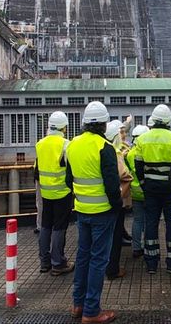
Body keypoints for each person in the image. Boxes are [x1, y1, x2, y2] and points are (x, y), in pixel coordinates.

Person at [65, 102, 122, 324]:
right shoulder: (104, 147)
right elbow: (111, 184)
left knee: (83, 256)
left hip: (82, 210)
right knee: (99, 260)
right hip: (103, 212)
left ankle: (77, 304)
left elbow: (69, 180)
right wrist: (117, 206)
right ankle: (91, 312)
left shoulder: (72, 145)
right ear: (104, 124)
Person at [134, 104, 171, 274]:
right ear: (169, 119)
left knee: (151, 223)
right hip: (170, 188)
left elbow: (138, 165)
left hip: (150, 187)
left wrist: (142, 183)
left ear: (153, 119)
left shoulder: (142, 139)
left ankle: (151, 263)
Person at [35, 111, 75, 276]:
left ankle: (45, 262)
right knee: (59, 227)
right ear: (64, 127)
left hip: (46, 192)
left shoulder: (40, 144)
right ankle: (58, 263)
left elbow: (37, 170)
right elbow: (70, 169)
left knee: (45, 226)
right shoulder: (66, 145)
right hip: (62, 192)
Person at [104, 120, 133, 280]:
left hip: (95, 202)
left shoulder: (98, 150)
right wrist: (119, 197)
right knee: (114, 236)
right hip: (115, 201)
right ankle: (112, 268)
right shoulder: (116, 153)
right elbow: (126, 176)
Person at [126, 125, 149, 258]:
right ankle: (147, 245)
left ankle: (136, 247)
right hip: (146, 190)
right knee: (148, 221)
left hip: (134, 192)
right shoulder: (145, 152)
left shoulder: (129, 154)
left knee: (137, 220)